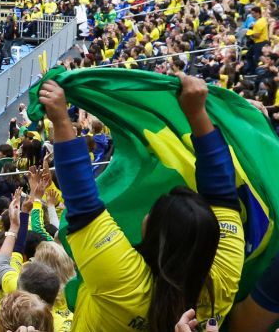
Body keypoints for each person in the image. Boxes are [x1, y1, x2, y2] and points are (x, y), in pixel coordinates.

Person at [39, 73, 243, 331]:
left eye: (153, 212)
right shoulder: (221, 279)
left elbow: (83, 202)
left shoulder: (123, 280)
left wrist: (196, 112)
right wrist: (61, 119)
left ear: (153, 233)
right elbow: (222, 193)